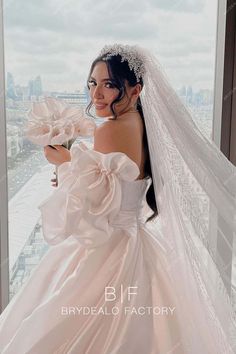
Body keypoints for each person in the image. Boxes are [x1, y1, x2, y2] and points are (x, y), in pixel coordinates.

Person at [0, 43, 235, 354]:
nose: (96, 94)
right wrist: (72, 167)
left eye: (109, 85)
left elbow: (97, 208)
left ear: (135, 90)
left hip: (107, 245)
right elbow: (114, 189)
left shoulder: (109, 130)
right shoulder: (141, 125)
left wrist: (65, 164)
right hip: (136, 240)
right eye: (92, 83)